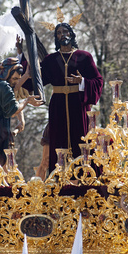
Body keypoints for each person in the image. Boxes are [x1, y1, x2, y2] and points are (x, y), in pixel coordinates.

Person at [39, 21, 103, 172]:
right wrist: (22, 56)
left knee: (81, 142)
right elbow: (36, 81)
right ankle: (60, 180)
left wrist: (82, 82)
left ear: (71, 34)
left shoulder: (84, 57)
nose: (62, 35)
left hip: (79, 106)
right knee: (59, 144)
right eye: (59, 33)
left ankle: (85, 177)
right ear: (56, 37)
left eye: (65, 31)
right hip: (58, 107)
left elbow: (98, 81)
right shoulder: (50, 60)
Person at [0, 58, 42, 165]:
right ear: (7, 73)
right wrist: (26, 100)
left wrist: (26, 75)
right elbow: (13, 111)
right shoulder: (4, 86)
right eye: (14, 78)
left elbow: (11, 96)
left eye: (18, 79)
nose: (16, 82)